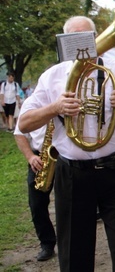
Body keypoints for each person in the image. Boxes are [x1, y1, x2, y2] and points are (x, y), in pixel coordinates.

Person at [18, 15, 115, 272]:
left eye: (86, 38)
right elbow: (24, 124)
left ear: (95, 38)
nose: (81, 45)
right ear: (65, 42)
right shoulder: (52, 76)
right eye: (73, 39)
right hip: (73, 174)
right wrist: (54, 108)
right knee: (73, 251)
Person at [14, 110, 56, 262]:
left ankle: (71, 243)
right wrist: (30, 157)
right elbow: (19, 133)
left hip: (66, 158)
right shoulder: (32, 103)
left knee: (71, 203)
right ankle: (47, 243)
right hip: (40, 158)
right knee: (36, 204)